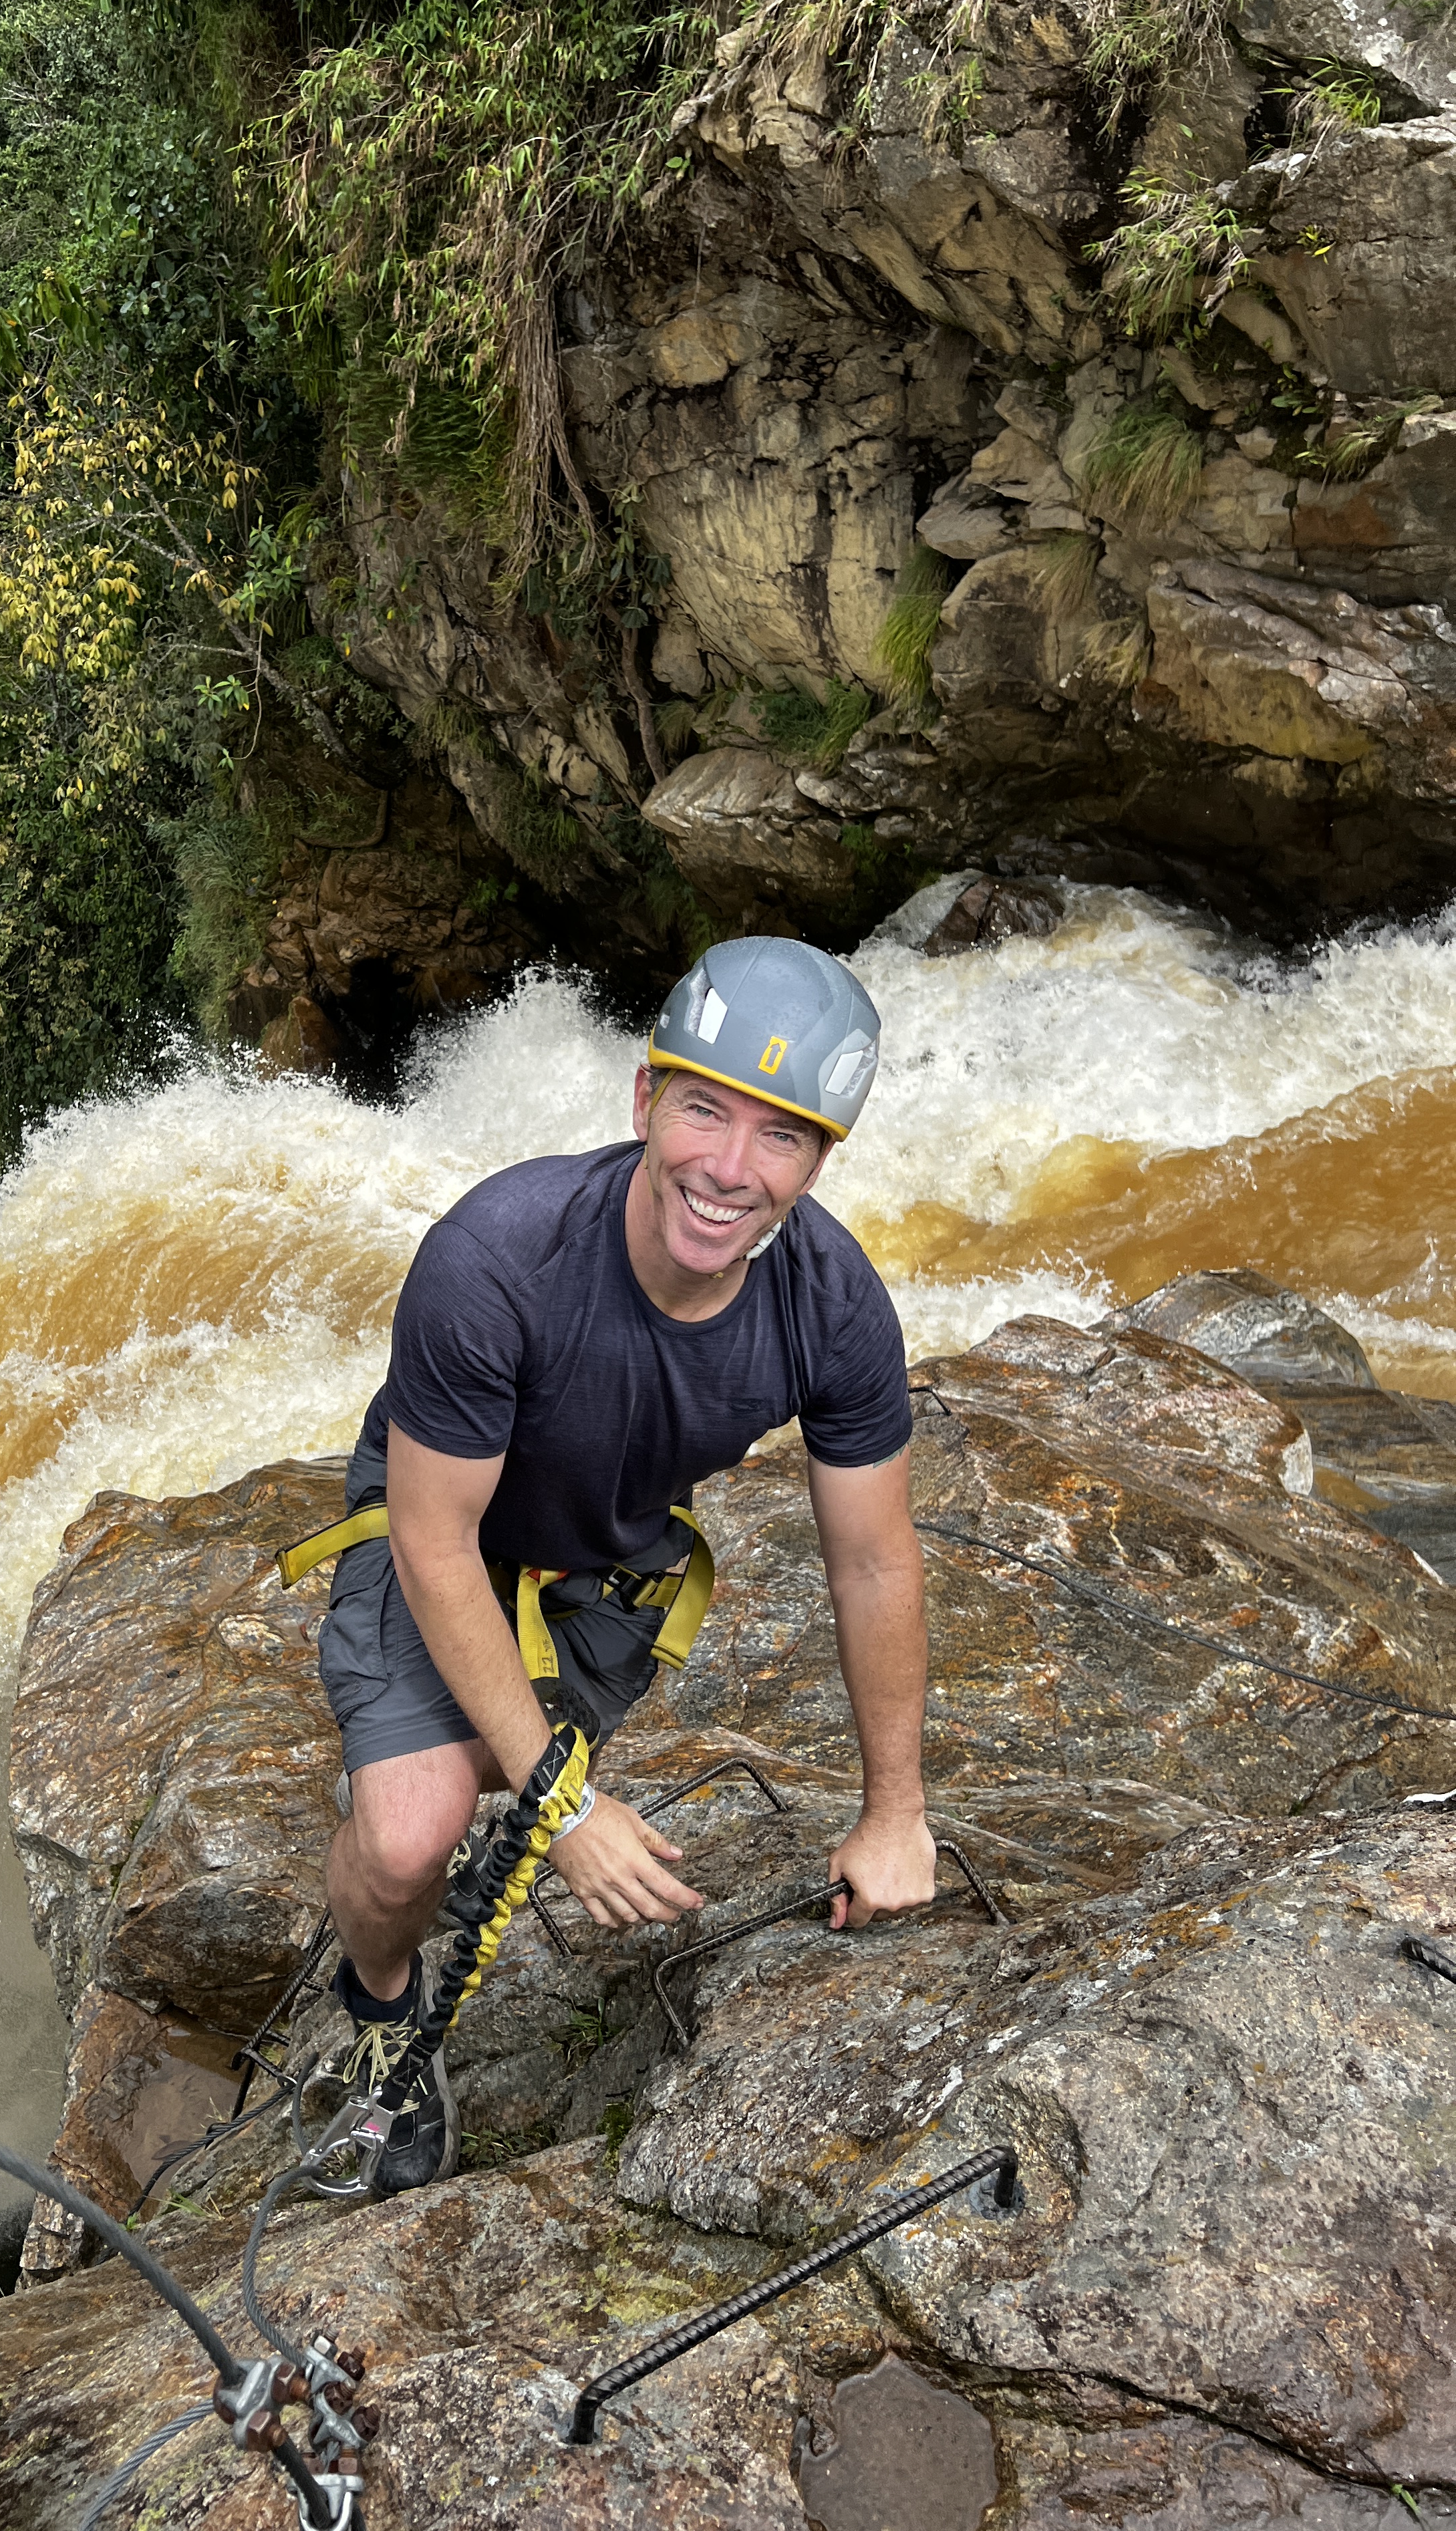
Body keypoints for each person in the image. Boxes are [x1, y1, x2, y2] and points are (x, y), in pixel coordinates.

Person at [302, 936, 937, 2193]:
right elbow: (433, 1544)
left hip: (608, 1561)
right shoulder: (497, 1260)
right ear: (644, 1099)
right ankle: (378, 2013)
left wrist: (895, 1814)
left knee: (470, 1763)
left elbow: (874, 1563)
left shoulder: (833, 1302)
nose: (730, 1170)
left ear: (819, 1163)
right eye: (704, 1110)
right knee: (408, 1834)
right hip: (449, 1535)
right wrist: (566, 1807)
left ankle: (439, 1754)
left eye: (783, 1138)